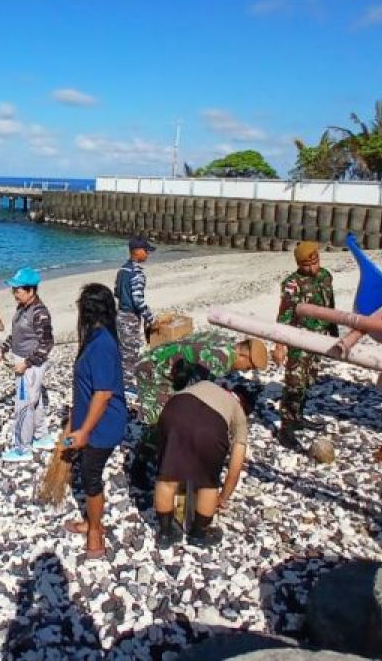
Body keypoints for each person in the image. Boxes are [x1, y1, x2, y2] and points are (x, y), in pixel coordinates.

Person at [63, 283, 128, 561]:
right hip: (93, 421)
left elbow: (103, 394)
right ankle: (92, 522)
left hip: (103, 424)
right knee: (88, 473)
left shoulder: (101, 343)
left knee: (90, 477)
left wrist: (85, 431)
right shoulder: (98, 337)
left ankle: (95, 532)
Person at [154, 379, 250, 548]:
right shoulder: (239, 413)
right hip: (210, 426)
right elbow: (235, 468)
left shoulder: (206, 384)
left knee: (167, 477)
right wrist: (222, 498)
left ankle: (165, 533)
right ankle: (198, 534)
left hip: (174, 409)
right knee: (207, 483)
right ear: (243, 404)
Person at [272, 241, 338, 451]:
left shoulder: (325, 276)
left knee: (309, 380)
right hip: (298, 341)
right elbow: (284, 315)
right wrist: (280, 345)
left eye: (315, 262)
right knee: (294, 384)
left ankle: (298, 417)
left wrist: (334, 334)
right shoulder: (292, 284)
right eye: (307, 265)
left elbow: (331, 305)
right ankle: (286, 427)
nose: (312, 268)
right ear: (299, 264)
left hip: (319, 339)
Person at [0, 268, 55, 463]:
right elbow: (16, 334)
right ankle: (42, 437)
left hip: (30, 365)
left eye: (17, 290)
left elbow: (47, 344)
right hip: (22, 360)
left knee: (23, 405)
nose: (14, 294)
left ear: (31, 291)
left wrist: (26, 363)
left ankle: (22, 449)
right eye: (13, 289)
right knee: (36, 401)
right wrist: (2, 350)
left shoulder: (39, 313)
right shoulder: (22, 308)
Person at [133, 330, 269, 425]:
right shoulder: (217, 361)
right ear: (242, 355)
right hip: (153, 370)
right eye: (248, 367)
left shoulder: (224, 341)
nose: (245, 371)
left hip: (166, 363)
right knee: (159, 417)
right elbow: (192, 393)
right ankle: (144, 455)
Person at [114, 236, 156, 399]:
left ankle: (121, 381)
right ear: (137, 252)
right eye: (146, 251)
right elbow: (138, 300)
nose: (147, 255)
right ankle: (127, 387)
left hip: (120, 315)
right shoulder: (136, 273)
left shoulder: (122, 270)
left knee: (123, 349)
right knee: (131, 352)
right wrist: (150, 317)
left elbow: (116, 292)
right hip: (130, 317)